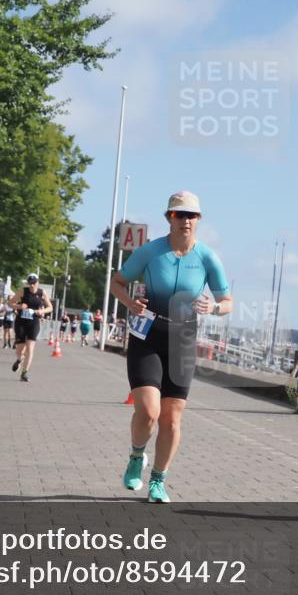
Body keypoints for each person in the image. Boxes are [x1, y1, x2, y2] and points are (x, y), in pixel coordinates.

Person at [110, 191, 232, 503]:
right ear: (169, 218)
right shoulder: (150, 252)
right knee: (149, 411)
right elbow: (116, 282)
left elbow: (227, 302)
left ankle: (158, 481)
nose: (186, 220)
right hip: (148, 335)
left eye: (192, 215)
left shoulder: (207, 257)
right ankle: (137, 456)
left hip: (182, 339)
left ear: (199, 219)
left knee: (172, 418)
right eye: (180, 214)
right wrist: (130, 304)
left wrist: (214, 308)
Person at [8, 274, 52, 382]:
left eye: (34, 283)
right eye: (30, 283)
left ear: (38, 282)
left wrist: (41, 311)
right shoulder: (23, 291)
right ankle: (19, 359)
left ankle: (24, 373)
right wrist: (19, 306)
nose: (32, 285)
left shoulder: (42, 293)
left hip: (34, 322)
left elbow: (50, 307)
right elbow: (10, 303)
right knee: (20, 348)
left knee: (30, 348)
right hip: (21, 322)